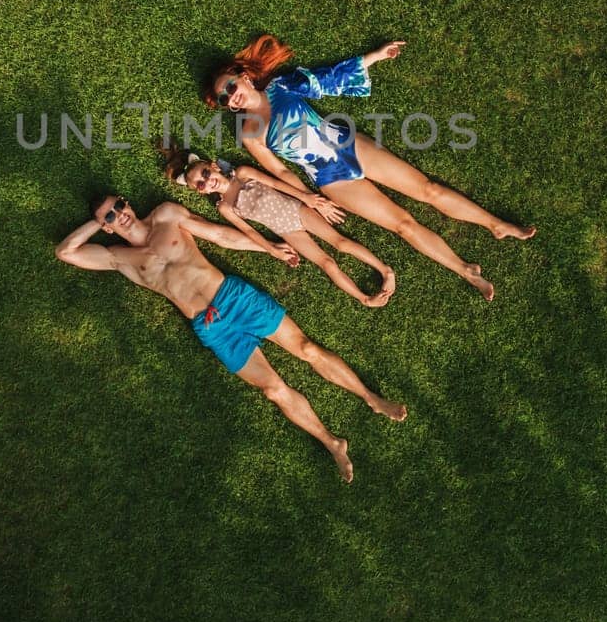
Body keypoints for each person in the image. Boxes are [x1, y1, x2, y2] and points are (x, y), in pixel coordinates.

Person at [55, 195, 407, 482]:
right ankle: (332, 443)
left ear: (128, 203)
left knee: (307, 348)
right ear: (106, 226)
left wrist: (268, 247)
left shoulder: (166, 216)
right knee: (272, 390)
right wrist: (96, 223)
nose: (120, 215)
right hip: (211, 327)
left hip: (233, 296)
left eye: (119, 206)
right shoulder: (119, 258)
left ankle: (371, 398)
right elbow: (66, 252)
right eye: (111, 217)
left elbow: (220, 235)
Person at [207, 35, 534, 301]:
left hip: (348, 145)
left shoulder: (280, 87)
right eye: (224, 99)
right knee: (403, 226)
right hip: (329, 178)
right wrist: (310, 198)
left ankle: (496, 225)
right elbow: (280, 173)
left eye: (230, 87)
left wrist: (374, 57)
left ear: (245, 78)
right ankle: (466, 271)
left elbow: (327, 79)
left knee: (429, 190)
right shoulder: (250, 134)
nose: (230, 97)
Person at [163, 148, 395, 307]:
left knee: (341, 243)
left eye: (205, 173)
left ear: (213, 166)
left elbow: (275, 182)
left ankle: (385, 271)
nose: (207, 181)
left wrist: (308, 198)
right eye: (200, 184)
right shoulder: (225, 207)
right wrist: (273, 250)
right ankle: (364, 299)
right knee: (327, 263)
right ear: (201, 191)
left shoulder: (242, 174)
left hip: (296, 210)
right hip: (285, 230)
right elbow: (250, 232)